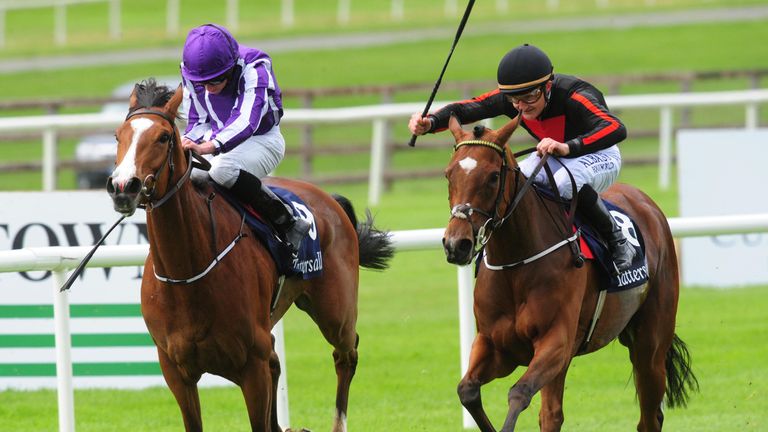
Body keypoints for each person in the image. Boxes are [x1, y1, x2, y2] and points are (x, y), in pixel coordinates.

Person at [409, 43, 635, 273]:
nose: (521, 106)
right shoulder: (516, 99)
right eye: (514, 100)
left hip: (598, 154)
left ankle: (617, 240)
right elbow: (468, 108)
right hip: (553, 154)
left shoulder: (574, 95)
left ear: (547, 86)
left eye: (529, 98)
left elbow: (616, 127)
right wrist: (430, 122)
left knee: (565, 184)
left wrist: (568, 147)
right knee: (516, 180)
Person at [180, 23, 309, 254]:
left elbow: (246, 120)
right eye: (202, 84)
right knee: (188, 172)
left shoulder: (256, 68)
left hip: (262, 140)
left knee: (222, 170)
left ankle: (287, 221)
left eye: (214, 82)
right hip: (217, 138)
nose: (207, 89)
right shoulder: (193, 72)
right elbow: (198, 120)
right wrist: (188, 142)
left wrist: (210, 146)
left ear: (229, 70)